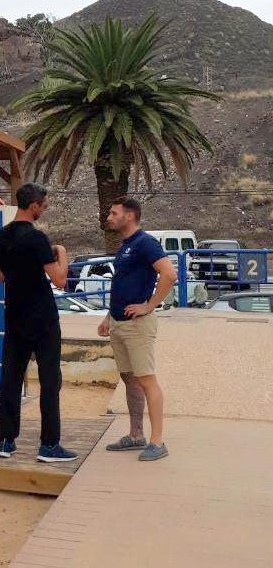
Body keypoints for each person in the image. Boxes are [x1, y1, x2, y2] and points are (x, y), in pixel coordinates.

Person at [0, 183, 77, 462]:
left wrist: (17, 274)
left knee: (10, 377)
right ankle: (49, 445)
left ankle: (5, 441)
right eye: (44, 205)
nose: (44, 209)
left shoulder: (2, 235)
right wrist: (61, 252)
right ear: (34, 205)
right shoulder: (37, 239)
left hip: (14, 314)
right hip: (42, 317)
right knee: (50, 379)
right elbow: (60, 279)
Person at [98, 197, 176, 461]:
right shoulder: (125, 246)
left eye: (113, 212)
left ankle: (157, 442)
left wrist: (149, 306)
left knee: (146, 379)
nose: (108, 216)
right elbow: (122, 283)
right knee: (129, 378)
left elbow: (169, 274)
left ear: (129, 216)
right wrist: (109, 316)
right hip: (119, 323)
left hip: (137, 325)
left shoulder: (145, 242)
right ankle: (135, 435)